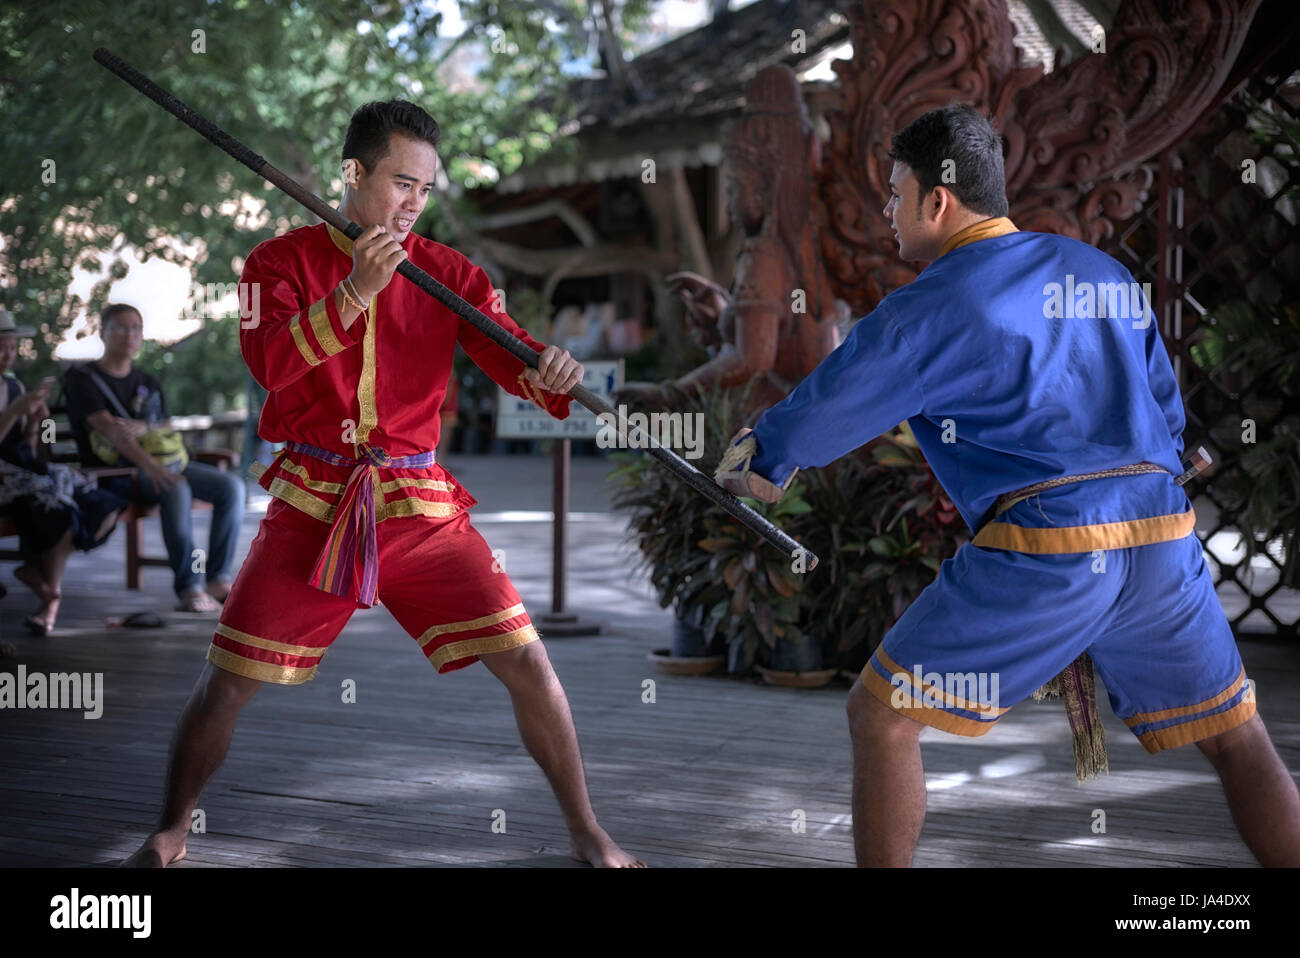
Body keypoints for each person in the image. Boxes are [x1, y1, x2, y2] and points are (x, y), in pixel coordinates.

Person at [718, 104, 1300, 867]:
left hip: (1051, 547)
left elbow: (829, 405)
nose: (888, 213)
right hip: (1163, 535)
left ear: (938, 200)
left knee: (881, 715)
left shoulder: (933, 305)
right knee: (1236, 735)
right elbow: (1168, 418)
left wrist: (759, 456)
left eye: (895, 194)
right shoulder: (1103, 272)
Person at [122, 99, 642, 868]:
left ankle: (586, 830)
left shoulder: (449, 273)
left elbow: (512, 356)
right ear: (353, 173)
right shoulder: (276, 264)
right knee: (228, 680)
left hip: (423, 511)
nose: (412, 205)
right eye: (401, 182)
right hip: (314, 507)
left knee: (530, 662)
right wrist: (356, 292)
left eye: (425, 191)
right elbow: (270, 366)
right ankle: (171, 828)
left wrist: (551, 370)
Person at [64, 304, 245, 612]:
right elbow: (110, 432)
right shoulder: (82, 379)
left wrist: (145, 427)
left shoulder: (147, 381)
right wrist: (151, 466)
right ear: (102, 332)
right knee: (177, 488)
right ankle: (188, 587)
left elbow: (165, 426)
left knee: (231, 488)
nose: (130, 334)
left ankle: (217, 578)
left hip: (164, 463)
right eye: (121, 327)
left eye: (136, 328)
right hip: (116, 472)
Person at [0, 308, 126, 635]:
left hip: (24, 468)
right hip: (7, 480)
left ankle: (39, 578)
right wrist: (14, 412)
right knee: (58, 507)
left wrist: (36, 422)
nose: (7, 355)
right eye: (1, 347)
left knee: (100, 502)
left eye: (12, 348)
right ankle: (49, 596)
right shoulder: (13, 397)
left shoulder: (13, 387)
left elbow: (34, 444)